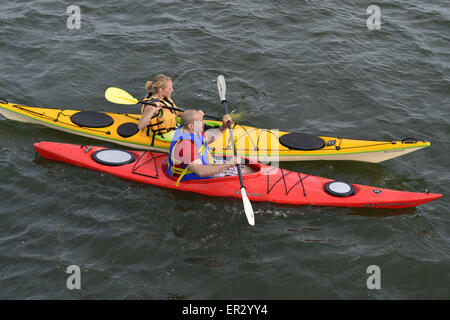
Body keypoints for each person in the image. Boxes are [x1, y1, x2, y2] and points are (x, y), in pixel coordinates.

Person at [167, 109, 256, 186]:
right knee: (248, 171)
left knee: (247, 165)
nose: (204, 122)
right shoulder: (186, 146)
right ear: (191, 125)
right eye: (201, 121)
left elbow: (208, 138)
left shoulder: (190, 129)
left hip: (206, 161)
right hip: (194, 176)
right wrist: (230, 164)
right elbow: (201, 171)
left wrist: (223, 127)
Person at [138, 74, 183, 140]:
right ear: (161, 90)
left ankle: (199, 132)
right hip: (163, 134)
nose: (172, 90)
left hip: (173, 127)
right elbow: (140, 126)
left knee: (194, 119)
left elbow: (177, 111)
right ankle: (199, 140)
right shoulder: (151, 105)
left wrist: (191, 114)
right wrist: (152, 111)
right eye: (170, 88)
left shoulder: (165, 98)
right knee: (193, 136)